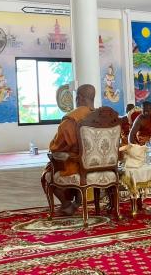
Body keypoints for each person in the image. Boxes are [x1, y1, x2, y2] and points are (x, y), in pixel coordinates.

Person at [41, 84, 95, 216]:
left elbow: (56, 147)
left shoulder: (71, 120)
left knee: (48, 173)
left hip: (77, 165)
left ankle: (66, 204)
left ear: (79, 98)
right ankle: (77, 203)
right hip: (99, 166)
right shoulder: (104, 117)